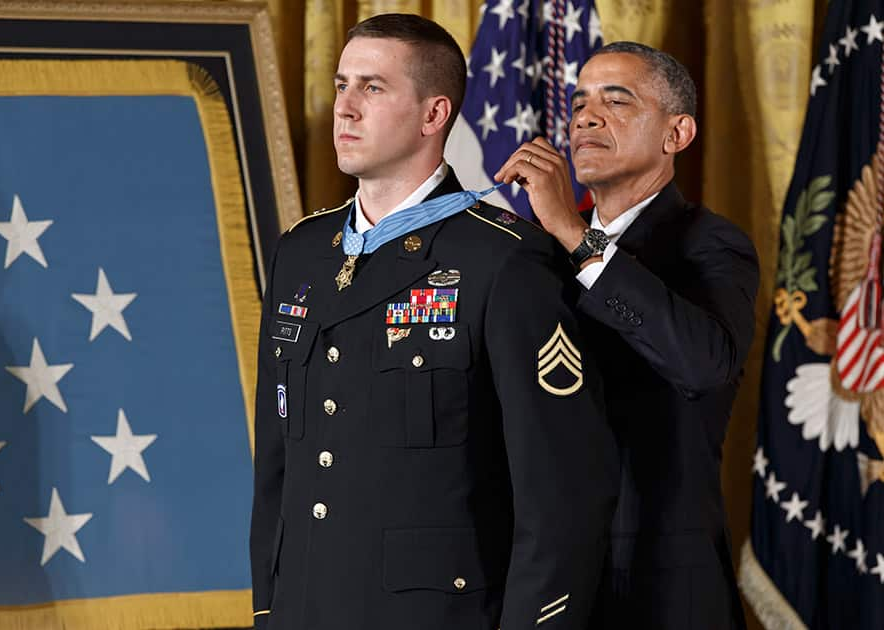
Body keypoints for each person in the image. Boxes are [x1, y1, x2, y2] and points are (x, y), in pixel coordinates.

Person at [249, 13, 618, 630]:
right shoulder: (303, 252)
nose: (344, 109)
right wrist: (269, 605)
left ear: (433, 114)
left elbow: (560, 494)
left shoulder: (501, 258)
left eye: (373, 88)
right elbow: (276, 461)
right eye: (342, 85)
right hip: (305, 607)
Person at [495, 42, 759, 629]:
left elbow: (703, 365)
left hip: (658, 589)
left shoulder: (712, 245)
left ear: (677, 134)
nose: (585, 117)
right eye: (579, 102)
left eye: (617, 101)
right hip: (538, 586)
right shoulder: (530, 255)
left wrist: (574, 234)